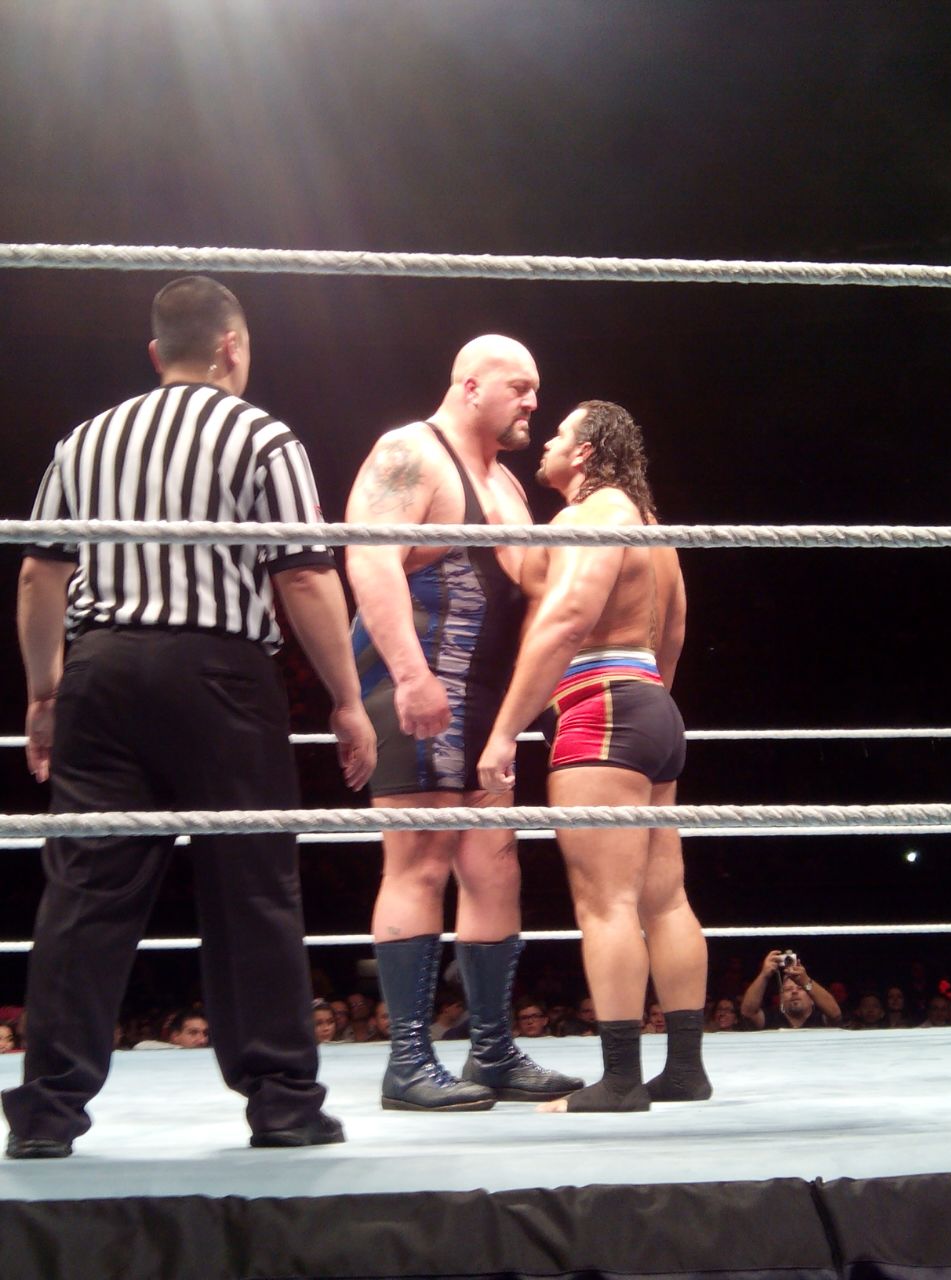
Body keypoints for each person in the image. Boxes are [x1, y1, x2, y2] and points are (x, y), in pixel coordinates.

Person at [3, 276, 376, 1160]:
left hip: (101, 672)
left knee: (85, 890)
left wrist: (45, 690)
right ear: (232, 347)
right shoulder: (261, 435)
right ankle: (282, 1104)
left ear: (155, 353)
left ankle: (46, 1111)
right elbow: (303, 574)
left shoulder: (85, 440)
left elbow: (39, 573)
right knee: (251, 886)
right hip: (219, 679)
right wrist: (347, 697)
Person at [346, 335, 581, 1111]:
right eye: (520, 386)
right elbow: (369, 559)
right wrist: (411, 676)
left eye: (537, 389)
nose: (533, 401)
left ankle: (492, 1050)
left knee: (496, 866)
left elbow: (534, 592)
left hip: (485, 700)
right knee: (419, 862)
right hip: (416, 683)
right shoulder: (411, 452)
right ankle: (409, 1062)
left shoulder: (506, 484)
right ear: (472, 385)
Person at [478, 400, 710, 1113]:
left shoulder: (591, 516)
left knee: (605, 902)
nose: (545, 443)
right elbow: (672, 632)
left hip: (601, 709)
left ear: (584, 452)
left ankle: (619, 1081)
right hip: (651, 705)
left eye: (558, 435)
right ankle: (684, 1070)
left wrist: (505, 731)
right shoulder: (649, 529)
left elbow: (566, 620)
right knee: (665, 898)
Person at [740, 951, 842, 1029]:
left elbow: (835, 1014)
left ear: (812, 998)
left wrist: (806, 981)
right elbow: (747, 1013)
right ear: (781, 998)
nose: (794, 992)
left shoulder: (820, 1019)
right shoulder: (771, 1018)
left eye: (800, 988)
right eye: (788, 989)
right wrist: (764, 975)